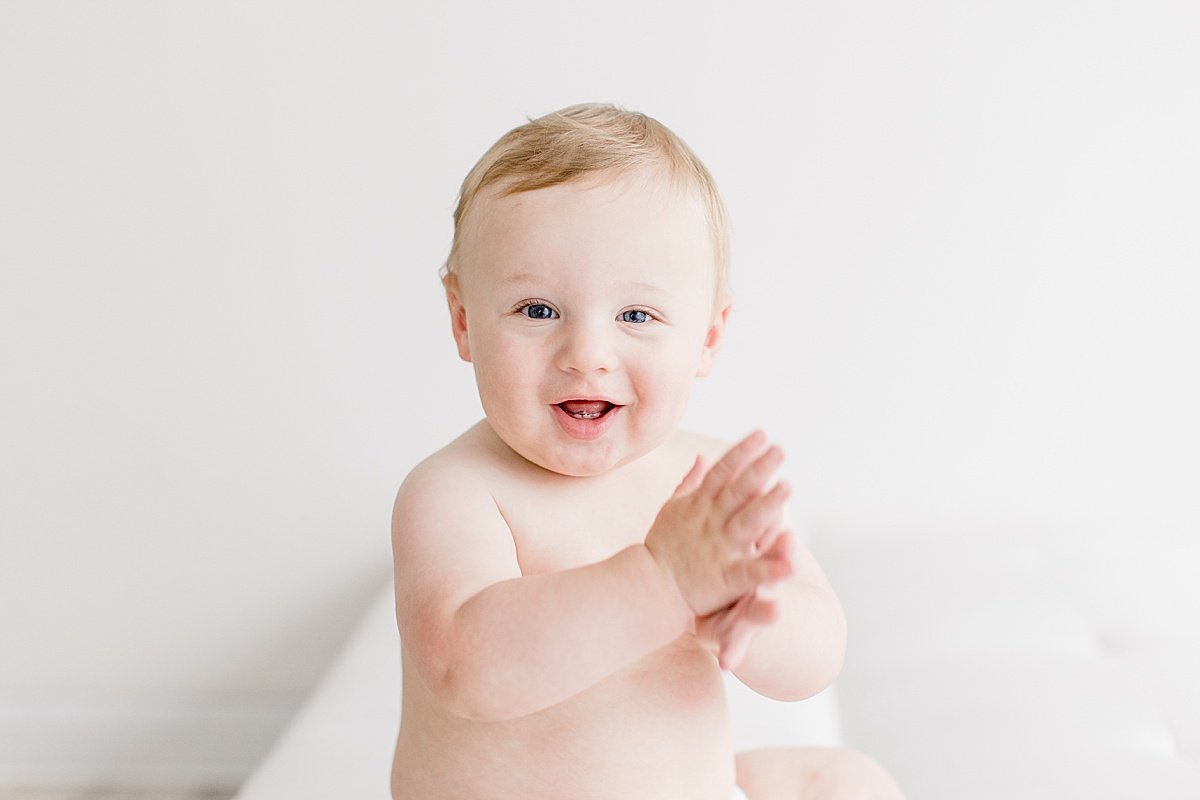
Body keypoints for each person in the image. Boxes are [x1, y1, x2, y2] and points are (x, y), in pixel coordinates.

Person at [389, 102, 905, 799]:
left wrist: (755, 611)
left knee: (844, 781)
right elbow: (466, 669)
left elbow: (816, 660)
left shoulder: (707, 490)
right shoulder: (457, 493)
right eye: (538, 310)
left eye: (637, 315)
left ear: (708, 339)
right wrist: (659, 582)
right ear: (463, 321)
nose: (588, 355)